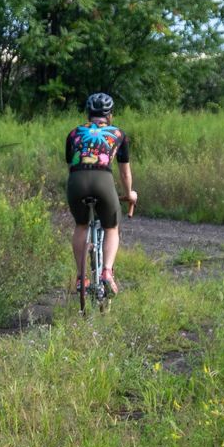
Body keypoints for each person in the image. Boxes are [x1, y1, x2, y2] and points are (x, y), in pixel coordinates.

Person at [64, 92, 135, 295]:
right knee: (111, 226)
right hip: (103, 180)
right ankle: (106, 272)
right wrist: (129, 193)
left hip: (76, 181)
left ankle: (81, 278)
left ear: (88, 114)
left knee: (81, 225)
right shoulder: (119, 134)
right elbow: (124, 172)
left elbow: (71, 165)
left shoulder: (74, 133)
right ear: (110, 115)